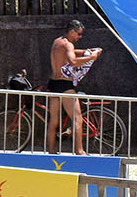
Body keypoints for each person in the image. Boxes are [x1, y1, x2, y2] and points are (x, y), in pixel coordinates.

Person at [44, 20, 104, 154]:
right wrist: (91, 57)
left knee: (54, 119)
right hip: (65, 85)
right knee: (77, 118)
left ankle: (51, 150)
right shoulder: (68, 45)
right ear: (72, 31)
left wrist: (86, 52)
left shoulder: (58, 42)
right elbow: (73, 61)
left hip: (53, 83)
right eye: (79, 34)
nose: (80, 37)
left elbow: (69, 52)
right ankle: (79, 150)